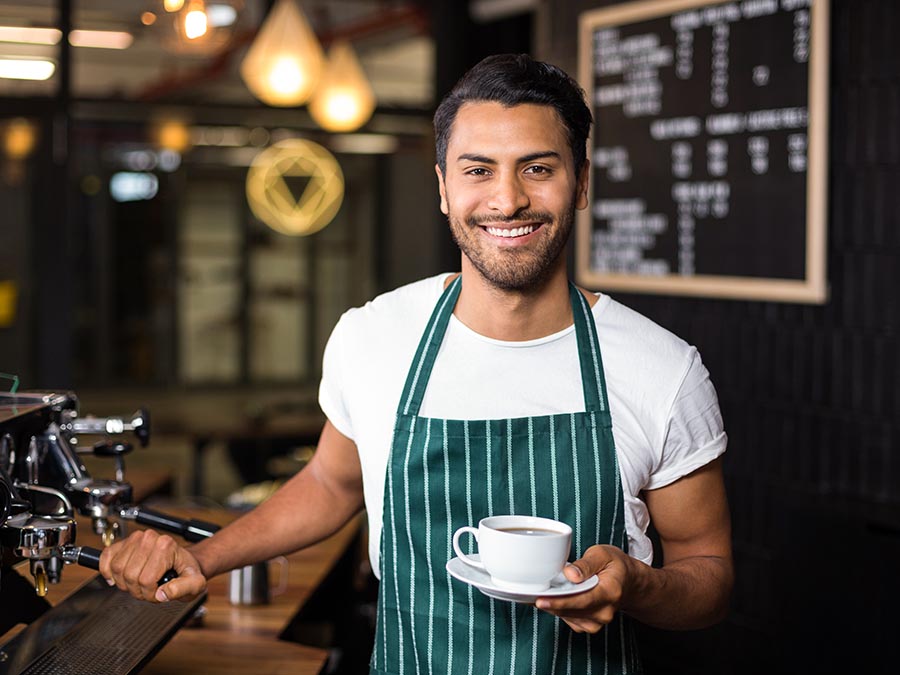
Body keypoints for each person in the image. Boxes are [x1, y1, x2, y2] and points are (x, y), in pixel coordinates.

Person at [100, 54, 733, 674]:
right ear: (443, 188)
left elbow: (708, 576)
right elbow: (330, 484)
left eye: (537, 168)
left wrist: (638, 586)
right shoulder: (373, 339)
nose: (507, 200)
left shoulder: (661, 369)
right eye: (478, 170)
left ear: (583, 180)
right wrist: (204, 557)